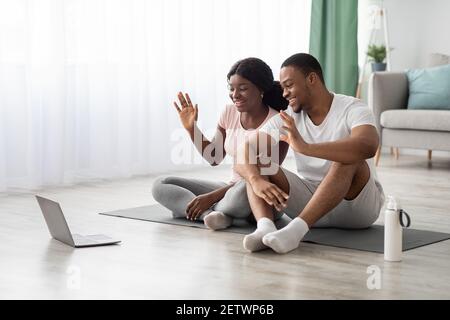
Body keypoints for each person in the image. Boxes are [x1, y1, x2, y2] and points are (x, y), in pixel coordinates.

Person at [235, 53, 385, 253]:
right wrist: (255, 180)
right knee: (257, 161)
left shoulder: (352, 107)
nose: (285, 93)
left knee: (348, 157)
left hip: (358, 207)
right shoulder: (287, 117)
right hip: (310, 203)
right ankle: (265, 228)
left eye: (289, 85)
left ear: (312, 79)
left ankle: (295, 232)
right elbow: (245, 151)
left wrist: (306, 148)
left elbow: (368, 145)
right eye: (283, 88)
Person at [151, 57, 288, 230]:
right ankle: (211, 216)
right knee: (161, 184)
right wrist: (191, 128)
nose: (235, 95)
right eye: (231, 89)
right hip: (229, 190)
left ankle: (208, 211)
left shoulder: (277, 122)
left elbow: (264, 176)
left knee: (241, 196)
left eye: (243, 88)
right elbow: (213, 157)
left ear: (261, 89)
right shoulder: (229, 112)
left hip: (258, 193)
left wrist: (211, 197)